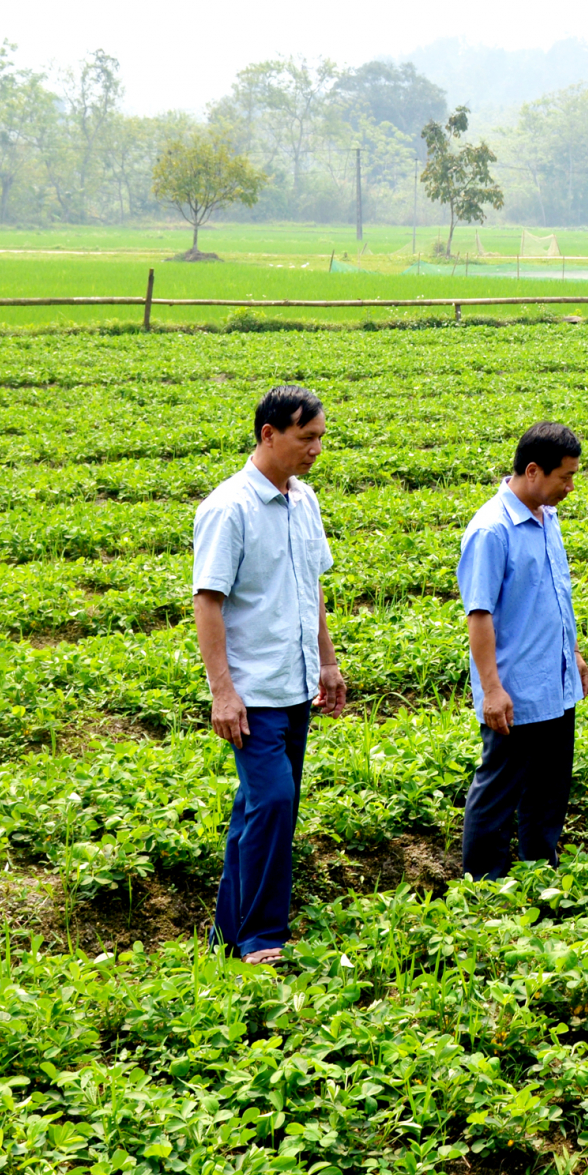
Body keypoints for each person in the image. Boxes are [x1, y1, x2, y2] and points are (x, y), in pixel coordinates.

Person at [192, 385, 348, 966]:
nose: (315, 450)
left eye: (320, 439)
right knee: (275, 801)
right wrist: (223, 692)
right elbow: (208, 602)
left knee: (260, 809)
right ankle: (262, 938)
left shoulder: (304, 501)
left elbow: (312, 589)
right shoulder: (228, 508)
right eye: (306, 439)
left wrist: (327, 663)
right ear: (269, 434)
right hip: (252, 693)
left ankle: (225, 936)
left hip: (295, 685)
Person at [457, 421, 588, 875]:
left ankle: (539, 875)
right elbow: (480, 615)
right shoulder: (492, 530)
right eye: (565, 477)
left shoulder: (547, 518)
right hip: (515, 691)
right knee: (498, 790)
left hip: (556, 682)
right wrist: (491, 689)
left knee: (549, 792)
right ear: (533, 471)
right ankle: (484, 888)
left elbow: (553, 595)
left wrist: (571, 653)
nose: (570, 487)